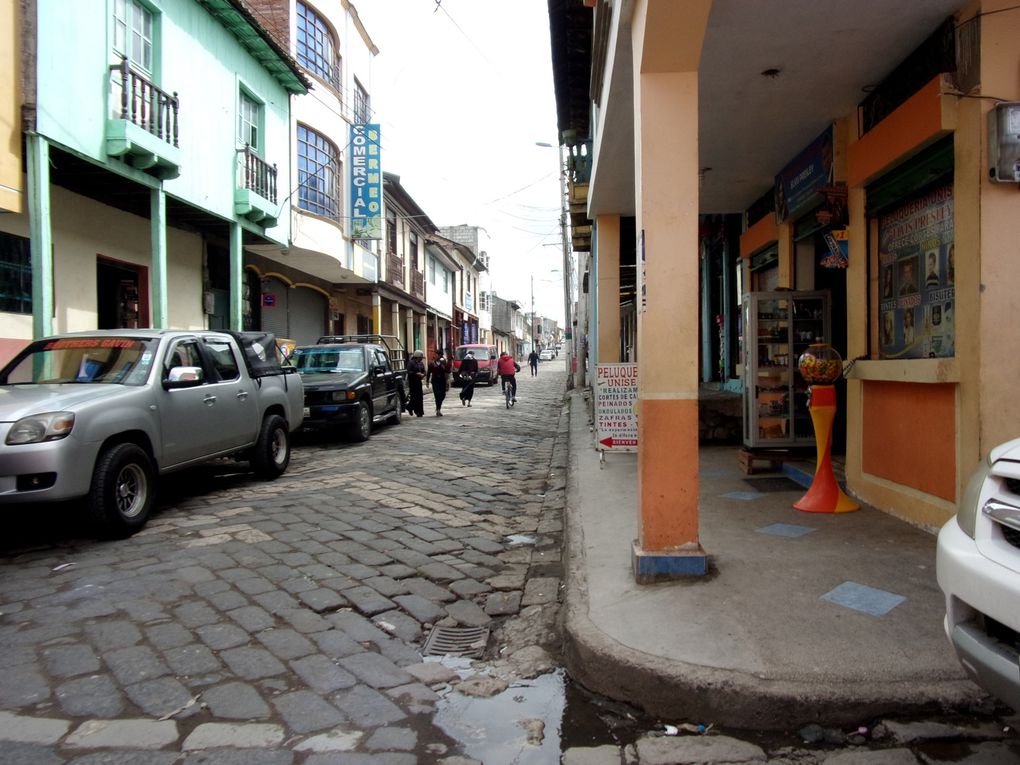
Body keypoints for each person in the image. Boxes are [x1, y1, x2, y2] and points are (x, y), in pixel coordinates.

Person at [426, 348, 449, 417]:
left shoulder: (444, 362)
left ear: (440, 355)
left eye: (436, 355)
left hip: (442, 380)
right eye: (435, 354)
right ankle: (438, 409)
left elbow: (448, 371)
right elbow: (429, 372)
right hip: (435, 380)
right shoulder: (432, 363)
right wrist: (427, 381)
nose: (435, 356)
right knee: (437, 395)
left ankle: (438, 407)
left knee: (442, 395)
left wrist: (444, 367)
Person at [406, 349, 426, 418]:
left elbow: (424, 371)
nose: (421, 359)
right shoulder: (411, 363)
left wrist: (423, 374)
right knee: (414, 397)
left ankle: (420, 412)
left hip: (418, 381)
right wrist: (416, 374)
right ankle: (410, 407)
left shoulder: (421, 363)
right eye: (420, 358)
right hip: (413, 382)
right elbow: (408, 372)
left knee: (420, 397)